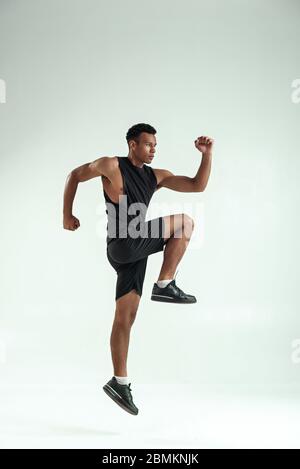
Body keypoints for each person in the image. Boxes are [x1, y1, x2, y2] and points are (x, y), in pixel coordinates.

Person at [63, 123, 213, 415]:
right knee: (185, 221)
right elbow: (74, 176)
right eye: (148, 144)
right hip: (122, 242)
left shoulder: (156, 177)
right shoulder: (110, 165)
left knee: (125, 316)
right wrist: (67, 214)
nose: (153, 149)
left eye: (155, 145)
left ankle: (119, 381)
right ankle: (165, 284)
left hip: (133, 252)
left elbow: (197, 185)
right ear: (132, 144)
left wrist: (206, 155)